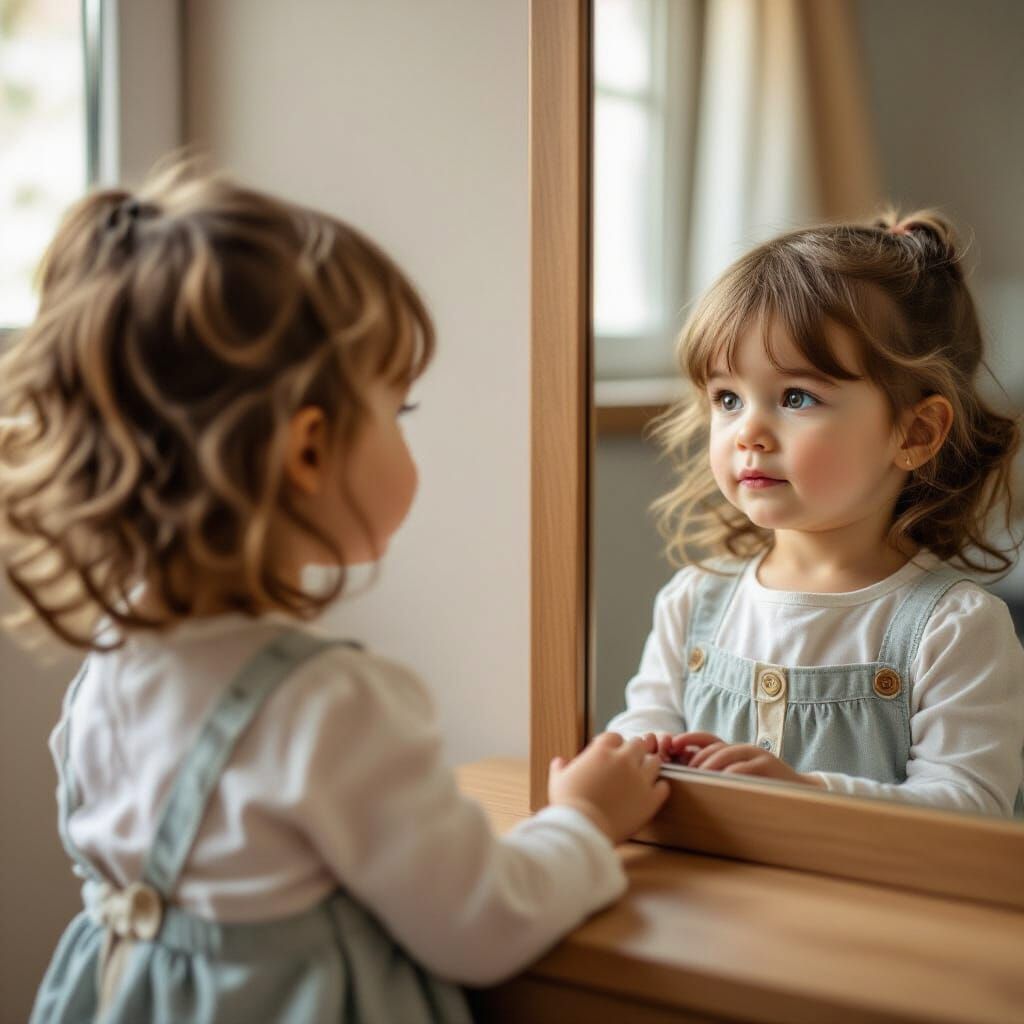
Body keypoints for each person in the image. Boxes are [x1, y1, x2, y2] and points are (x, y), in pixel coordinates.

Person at [0, 160, 669, 1024]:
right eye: (399, 410)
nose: (406, 432)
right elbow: (482, 925)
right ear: (308, 450)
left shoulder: (114, 658)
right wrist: (581, 819)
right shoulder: (331, 703)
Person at [607, 211, 1024, 818]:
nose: (748, 431)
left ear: (915, 433)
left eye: (796, 397)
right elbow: (641, 725)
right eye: (728, 398)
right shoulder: (693, 604)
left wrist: (811, 796)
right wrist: (635, 756)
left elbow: (971, 806)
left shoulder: (954, 629)